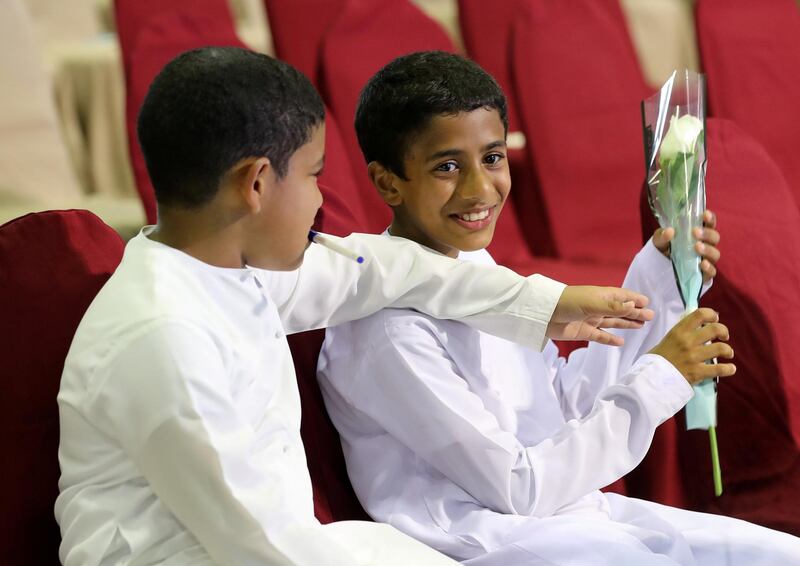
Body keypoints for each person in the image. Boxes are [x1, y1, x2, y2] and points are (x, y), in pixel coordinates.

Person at [54, 47, 651, 566]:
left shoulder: (222, 268)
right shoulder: (165, 340)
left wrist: (548, 304)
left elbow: (384, 270)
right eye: (314, 176)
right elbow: (260, 543)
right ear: (256, 183)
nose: (321, 202)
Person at [317, 51, 800, 565]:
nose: (481, 189)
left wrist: (656, 279)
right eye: (448, 166)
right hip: (484, 542)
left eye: (493, 157)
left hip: (570, 516)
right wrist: (660, 377)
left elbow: (561, 409)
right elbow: (519, 489)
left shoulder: (476, 266)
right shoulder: (387, 332)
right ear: (389, 181)